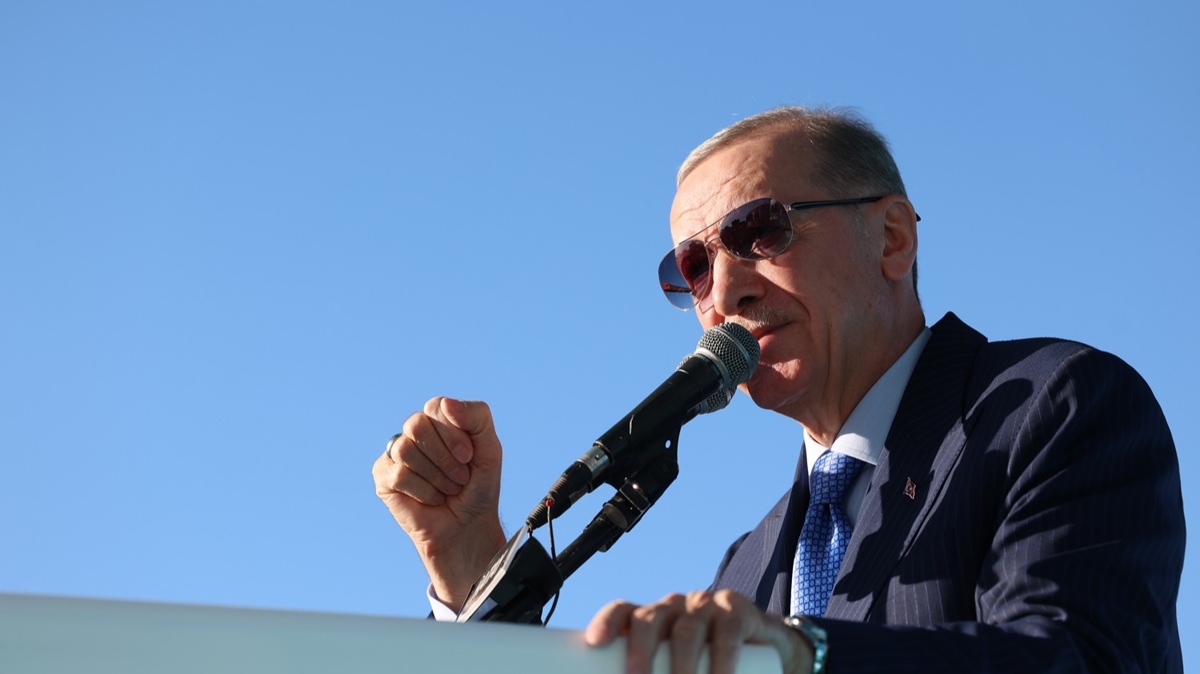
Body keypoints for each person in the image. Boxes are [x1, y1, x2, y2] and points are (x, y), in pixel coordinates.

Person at [372, 107, 1185, 674]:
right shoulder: (748, 566)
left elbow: (1081, 659)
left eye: (760, 231)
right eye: (693, 268)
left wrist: (803, 653)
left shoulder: (1054, 404)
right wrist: (473, 569)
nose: (725, 290)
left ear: (892, 239)